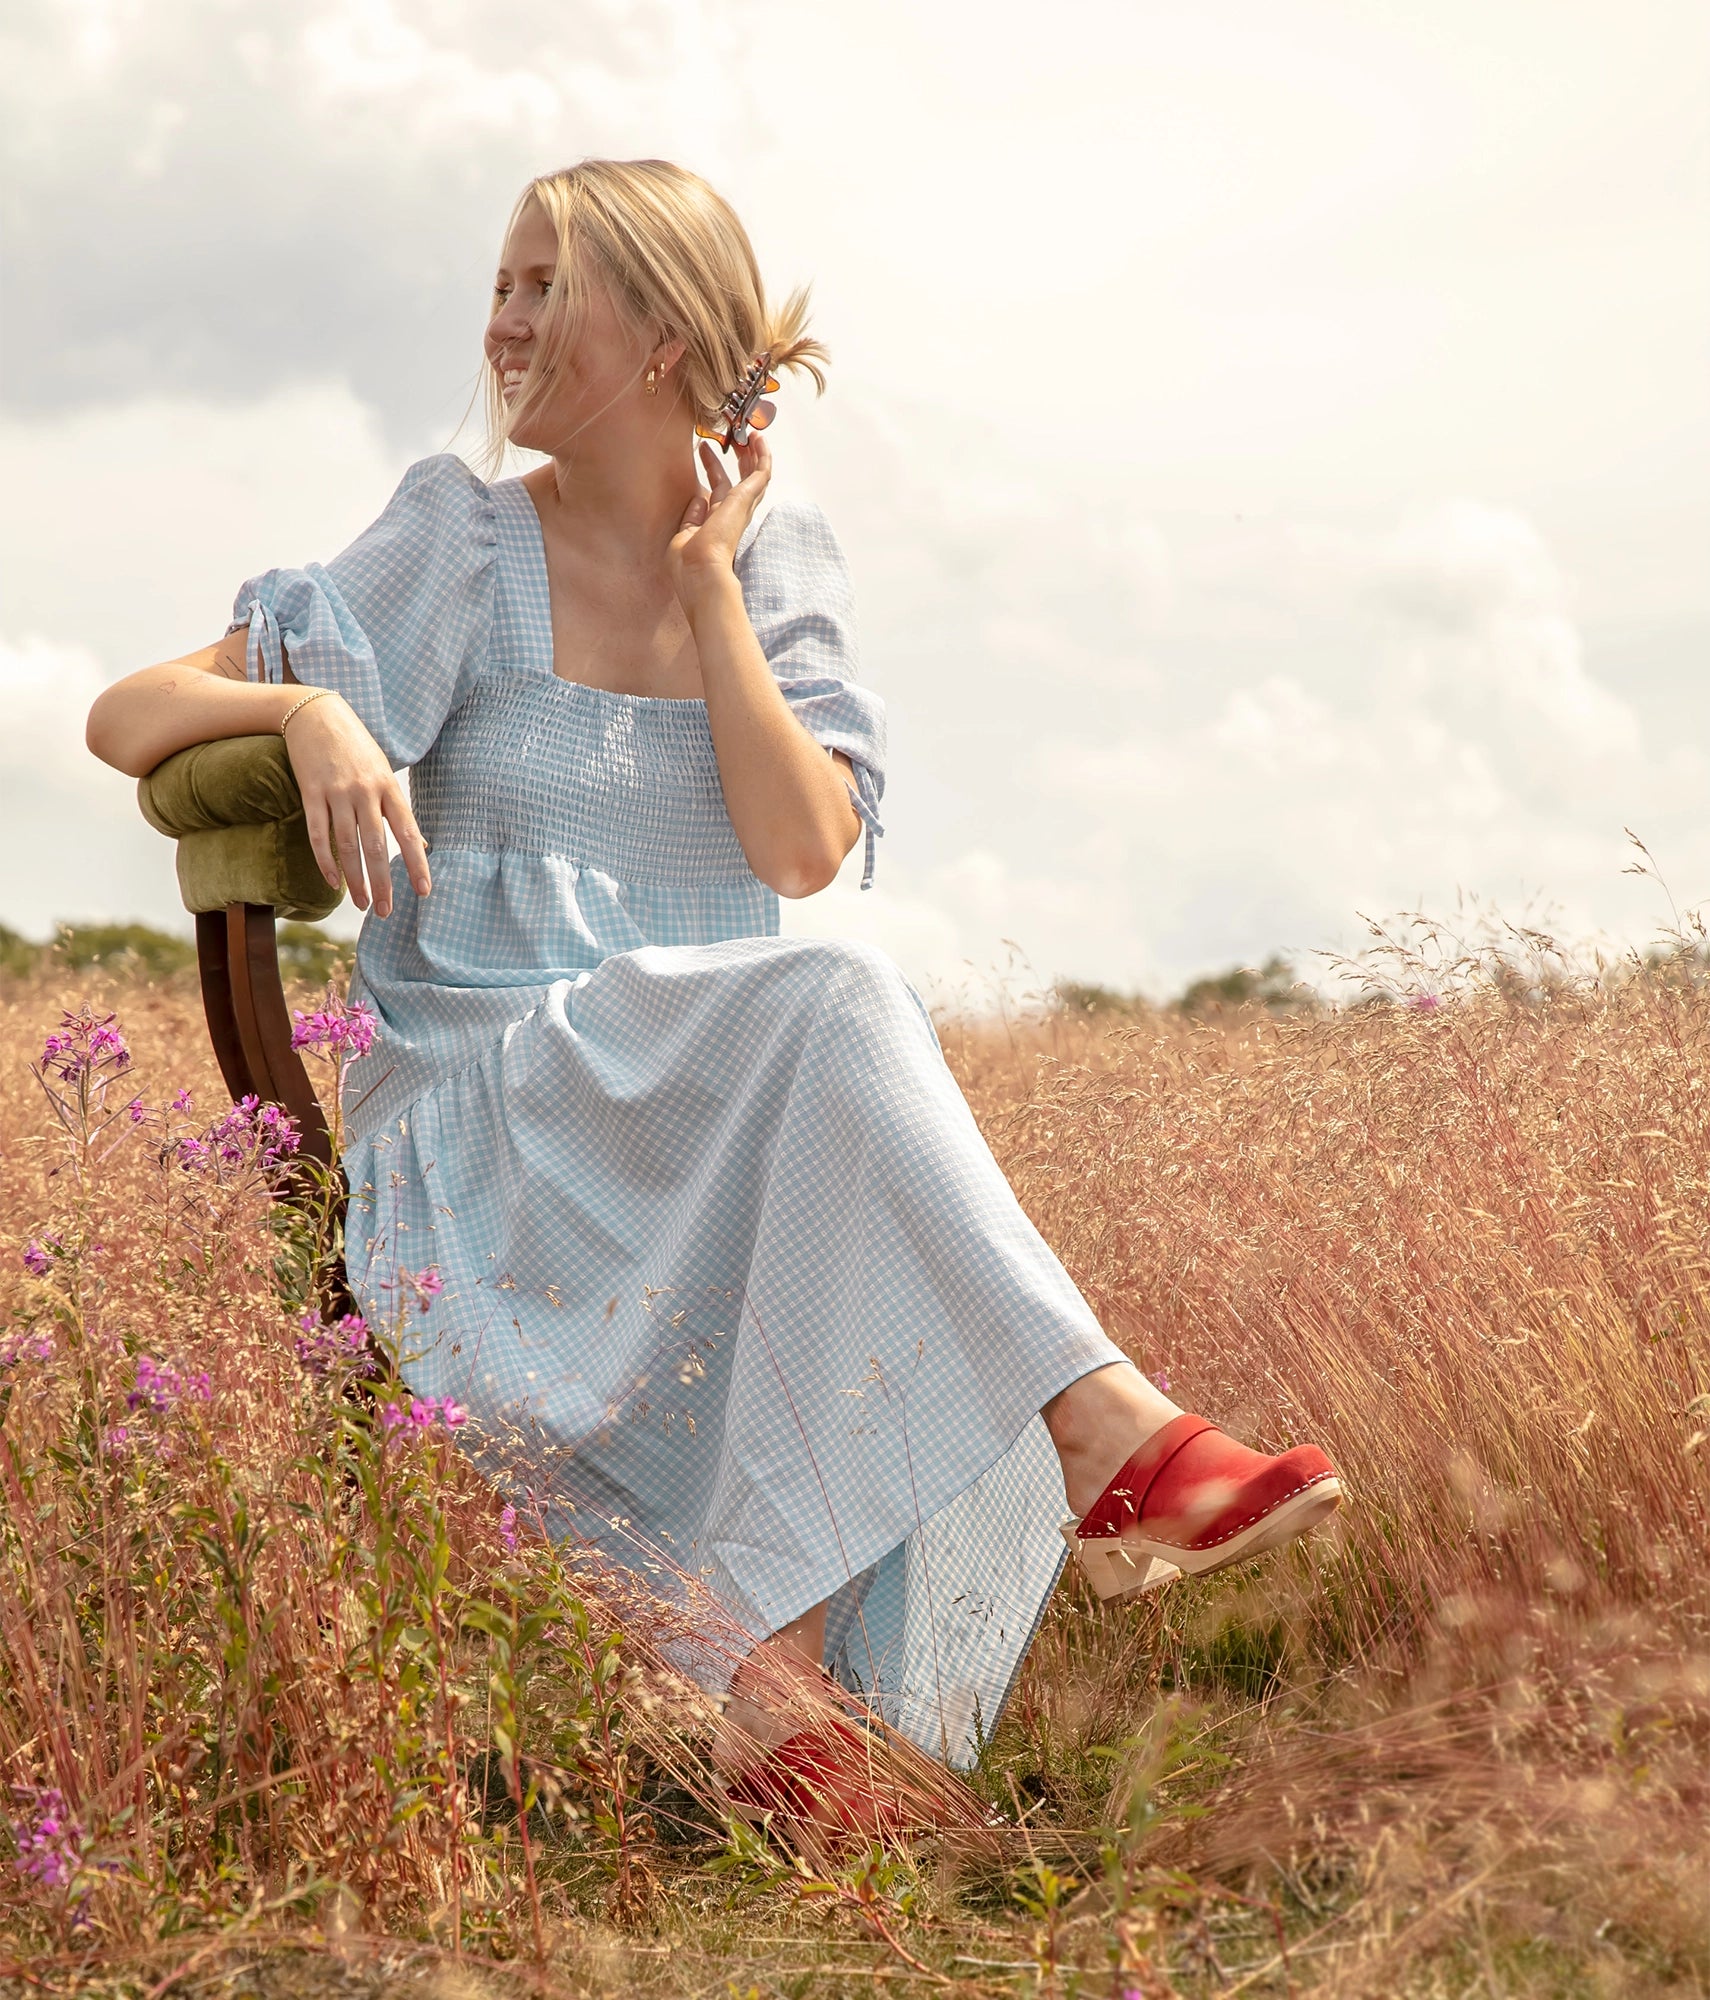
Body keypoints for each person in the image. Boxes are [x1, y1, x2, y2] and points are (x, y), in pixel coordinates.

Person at [87, 157, 1342, 1838]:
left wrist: (708, 590)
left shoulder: (775, 556)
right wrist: (309, 714)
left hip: (685, 1114)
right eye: (504, 280)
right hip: (489, 1118)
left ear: (670, 332)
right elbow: (124, 710)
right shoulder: (453, 537)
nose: (503, 319)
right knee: (829, 1006)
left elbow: (803, 844)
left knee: (818, 1010)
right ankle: (1102, 1431)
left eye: (547, 283)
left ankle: (779, 1701)